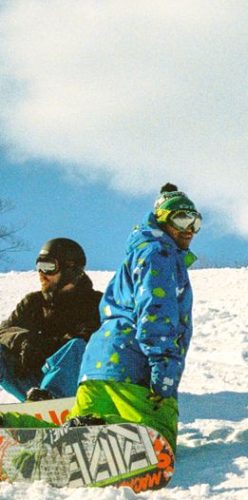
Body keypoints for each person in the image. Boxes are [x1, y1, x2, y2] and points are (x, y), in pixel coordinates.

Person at [1, 183, 200, 453]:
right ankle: (70, 423)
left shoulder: (130, 264)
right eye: (182, 219)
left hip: (90, 369)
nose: (190, 228)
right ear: (163, 220)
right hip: (126, 366)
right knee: (154, 436)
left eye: (196, 222)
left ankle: (21, 422)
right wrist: (163, 368)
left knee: (75, 423)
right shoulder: (158, 255)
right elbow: (155, 313)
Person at [0, 238, 102, 402]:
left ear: (70, 269)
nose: (41, 273)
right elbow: (4, 331)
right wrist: (23, 341)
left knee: (76, 346)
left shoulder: (95, 303)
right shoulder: (33, 302)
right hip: (33, 388)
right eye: (39, 266)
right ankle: (38, 403)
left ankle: (49, 399)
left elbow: (88, 340)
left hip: (75, 387)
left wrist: (42, 346)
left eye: (48, 267)